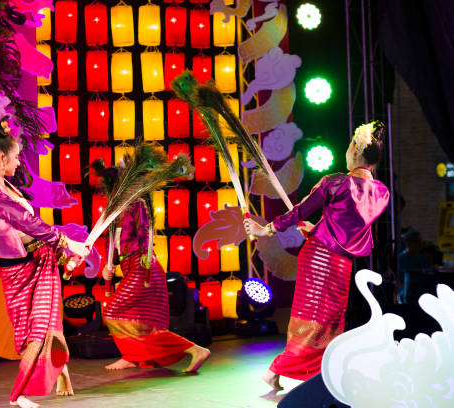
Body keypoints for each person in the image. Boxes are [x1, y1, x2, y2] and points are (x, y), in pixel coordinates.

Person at [245, 121, 390, 390]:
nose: (346, 151)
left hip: (319, 258)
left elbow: (298, 212)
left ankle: (284, 369)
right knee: (326, 319)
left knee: (315, 318)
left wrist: (265, 229)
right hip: (340, 262)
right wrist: (318, 229)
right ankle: (301, 371)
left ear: (356, 150)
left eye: (349, 146)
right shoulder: (381, 193)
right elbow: (348, 227)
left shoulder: (335, 183)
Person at [0, 119, 90, 408]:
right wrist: (67, 242)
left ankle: (41, 381)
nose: (17, 164)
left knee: (47, 324)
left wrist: (67, 254)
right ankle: (25, 391)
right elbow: (25, 222)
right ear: (1, 159)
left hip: (41, 261)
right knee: (34, 331)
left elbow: (33, 232)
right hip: (20, 270)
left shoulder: (8, 188)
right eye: (14, 158)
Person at [99, 179, 210, 373]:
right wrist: (107, 269)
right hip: (128, 268)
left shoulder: (137, 205)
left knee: (112, 312)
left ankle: (192, 349)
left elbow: (144, 232)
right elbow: (114, 256)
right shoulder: (111, 219)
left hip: (143, 267)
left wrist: (146, 252)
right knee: (140, 323)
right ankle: (133, 356)